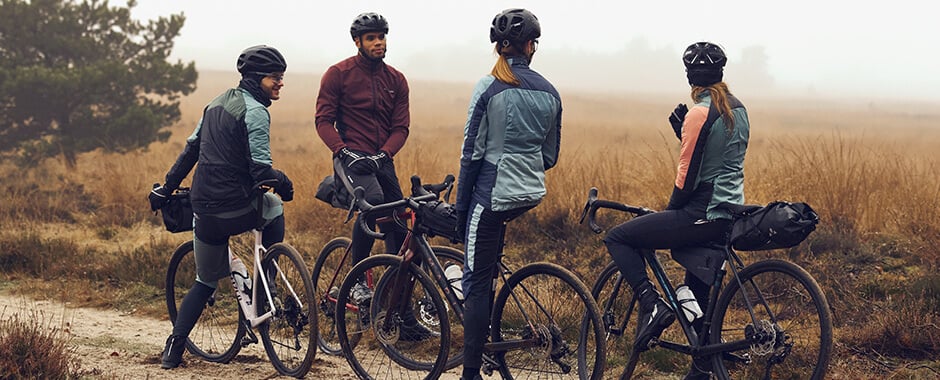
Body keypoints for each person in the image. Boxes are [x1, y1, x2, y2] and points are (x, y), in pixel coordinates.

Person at [602, 41, 749, 379]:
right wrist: (683, 134)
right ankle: (701, 370)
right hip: (728, 211)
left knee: (619, 237)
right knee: (696, 297)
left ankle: (652, 304)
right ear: (721, 73)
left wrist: (667, 217)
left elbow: (686, 177)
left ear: (689, 76)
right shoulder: (738, 109)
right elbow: (717, 159)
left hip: (702, 212)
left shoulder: (700, 112)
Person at [148, 45, 294, 369]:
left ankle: (174, 348)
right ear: (258, 79)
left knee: (205, 280)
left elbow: (190, 152)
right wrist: (285, 183)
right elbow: (262, 171)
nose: (281, 83)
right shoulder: (256, 111)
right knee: (273, 205)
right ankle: (264, 284)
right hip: (238, 208)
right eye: (276, 78)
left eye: (282, 77)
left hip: (205, 211)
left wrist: (166, 189)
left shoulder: (214, 104)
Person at [455, 8, 562, 380]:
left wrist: (460, 207)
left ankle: (470, 373)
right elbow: (550, 156)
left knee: (475, 283)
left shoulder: (489, 86)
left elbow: (471, 154)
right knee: (486, 265)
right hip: (529, 192)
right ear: (531, 46)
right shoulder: (550, 91)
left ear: (499, 48)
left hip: (491, 194)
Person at [315, 11, 412, 314]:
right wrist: (343, 151)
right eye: (371, 38)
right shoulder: (338, 74)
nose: (378, 43)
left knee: (400, 216)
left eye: (382, 37)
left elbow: (401, 128)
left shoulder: (395, 79)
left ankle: (396, 298)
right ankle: (357, 280)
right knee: (374, 201)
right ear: (358, 41)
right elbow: (323, 121)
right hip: (351, 159)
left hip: (381, 159)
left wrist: (385, 154)